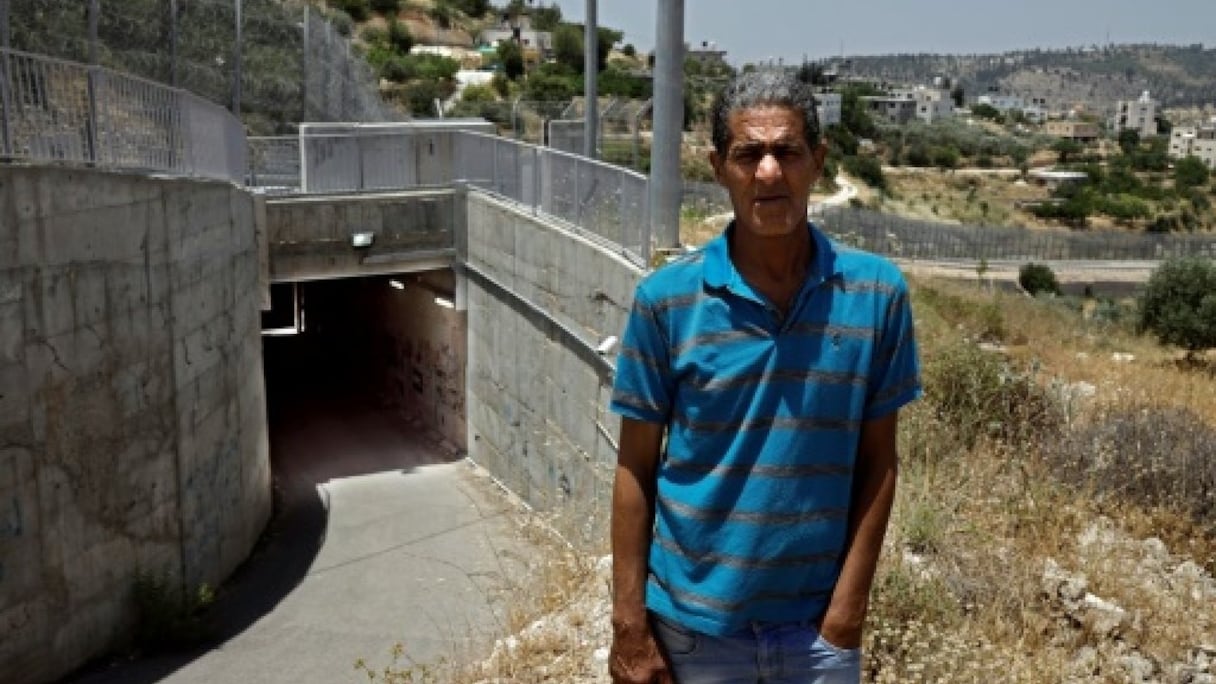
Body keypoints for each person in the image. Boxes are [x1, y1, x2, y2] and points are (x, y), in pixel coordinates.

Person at [607, 70, 922, 684]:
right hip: (691, 637)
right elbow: (635, 469)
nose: (769, 172)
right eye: (748, 154)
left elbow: (879, 461)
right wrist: (629, 626)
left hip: (817, 639)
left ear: (819, 160)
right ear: (718, 167)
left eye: (787, 151)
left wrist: (846, 617)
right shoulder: (665, 301)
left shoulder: (877, 295)